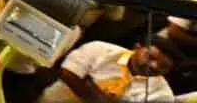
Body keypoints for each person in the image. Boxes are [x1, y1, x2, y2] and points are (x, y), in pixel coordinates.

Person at [37, 41, 174, 102]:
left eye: (163, 67)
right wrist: (96, 99)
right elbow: (68, 73)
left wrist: (88, 84)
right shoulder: (100, 50)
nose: (154, 66)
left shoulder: (162, 95)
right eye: (150, 57)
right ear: (137, 47)